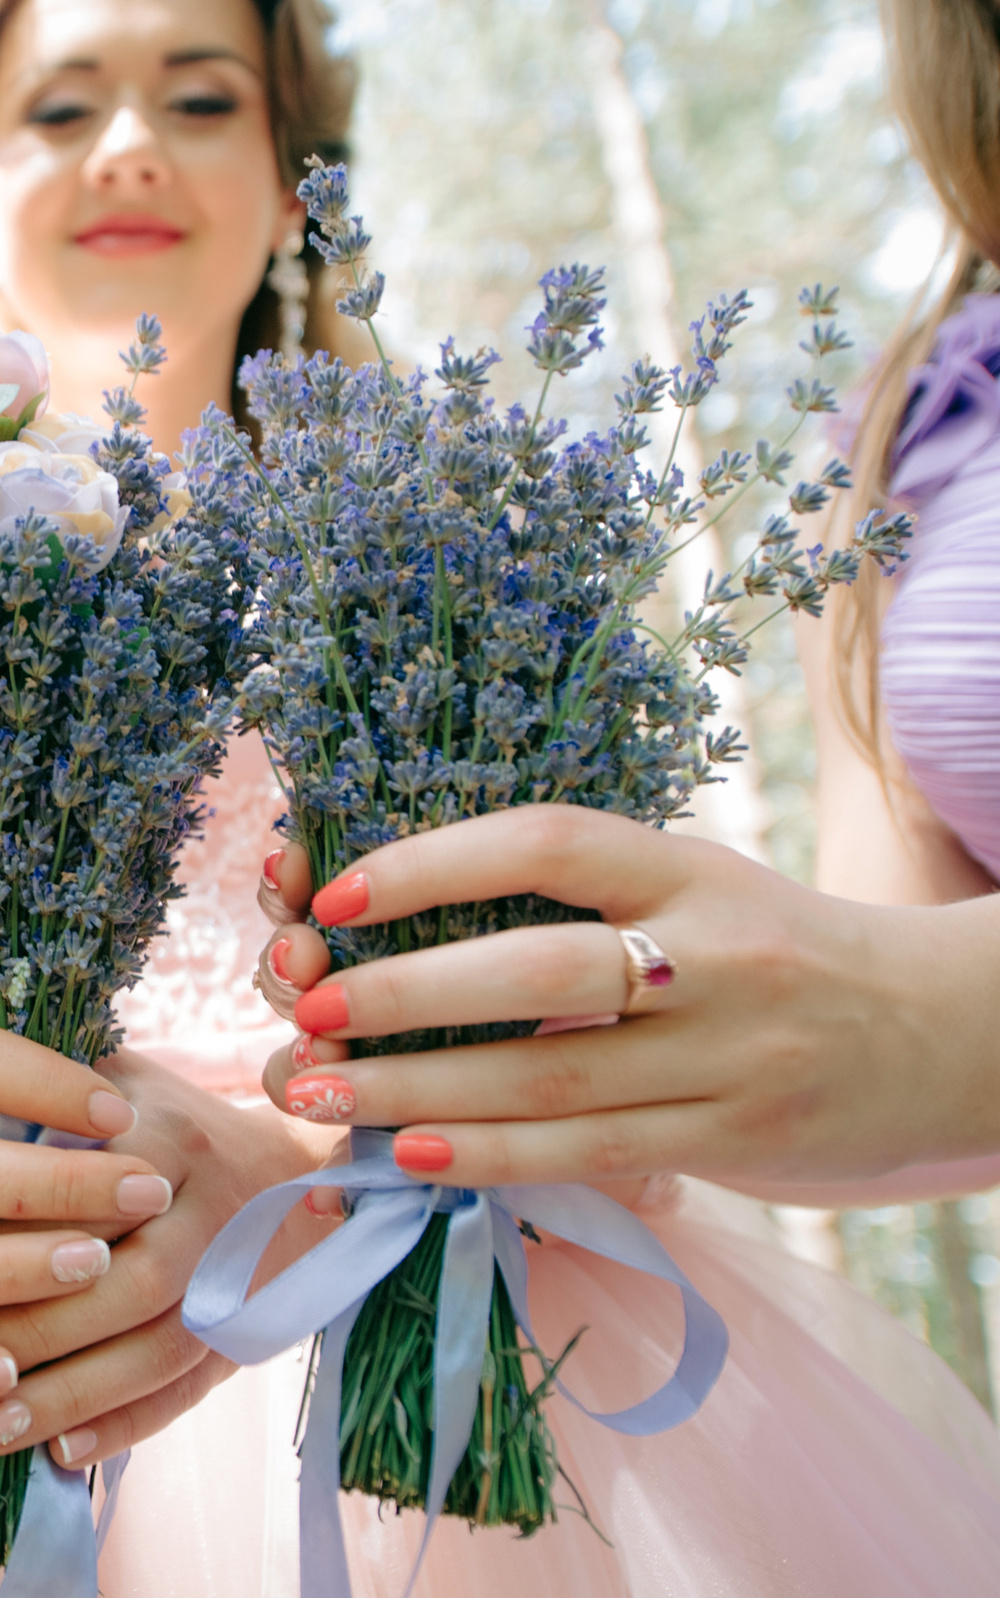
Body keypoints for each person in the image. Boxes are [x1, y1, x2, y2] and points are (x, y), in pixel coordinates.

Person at [0, 0, 1000, 1598]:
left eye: (201, 100)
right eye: (62, 109)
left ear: (296, 189)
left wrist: (307, 1174)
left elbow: (578, 985)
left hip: (426, 1310)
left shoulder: (445, 545)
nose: (128, 146)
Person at [248, 0, 1000, 1205]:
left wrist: (902, 1009)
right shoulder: (906, 441)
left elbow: (885, 1015)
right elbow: (877, 1100)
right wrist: (577, 1047)